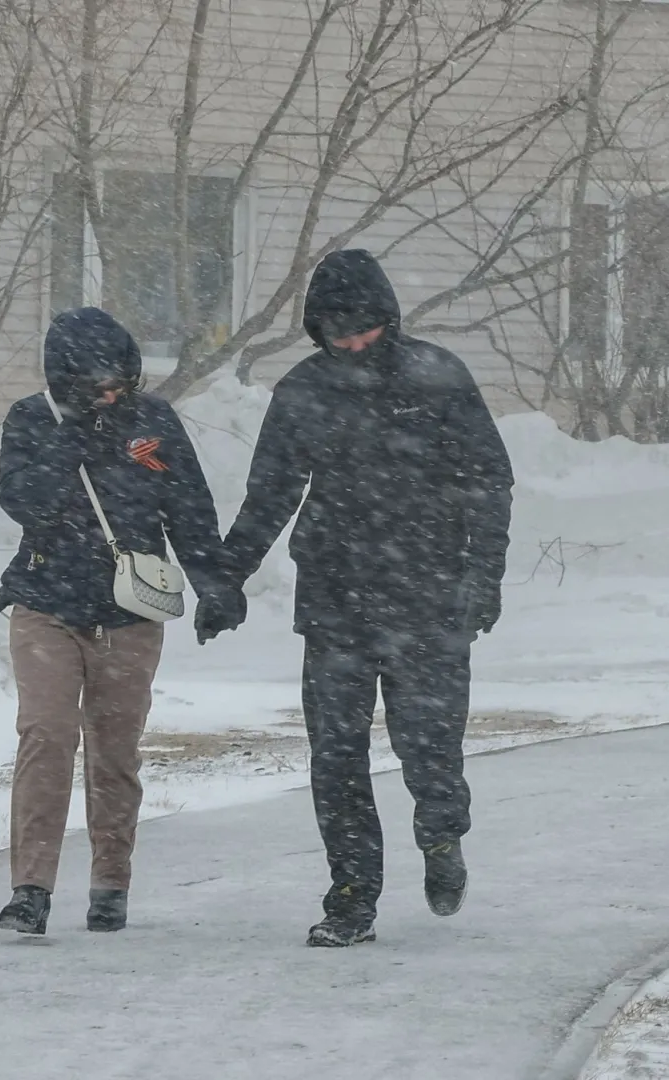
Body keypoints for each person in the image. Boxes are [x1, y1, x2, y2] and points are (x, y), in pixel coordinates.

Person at [222, 249, 514, 948]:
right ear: (316, 330)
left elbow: (489, 480)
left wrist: (483, 572)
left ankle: (442, 836)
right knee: (337, 757)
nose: (351, 342)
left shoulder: (436, 376)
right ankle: (352, 895)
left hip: (429, 597)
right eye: (336, 331)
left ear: (388, 318)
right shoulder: (303, 391)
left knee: (430, 752)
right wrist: (226, 575)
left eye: (364, 328)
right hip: (336, 601)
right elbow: (270, 494)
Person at [0, 307, 246, 936]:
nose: (111, 394)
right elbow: (23, 502)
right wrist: (73, 439)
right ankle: (31, 888)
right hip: (46, 602)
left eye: (120, 382)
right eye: (97, 384)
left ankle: (111, 880)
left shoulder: (153, 423)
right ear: (65, 379)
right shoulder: (33, 420)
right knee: (46, 737)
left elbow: (188, 506)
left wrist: (216, 585)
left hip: (130, 612)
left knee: (115, 750)